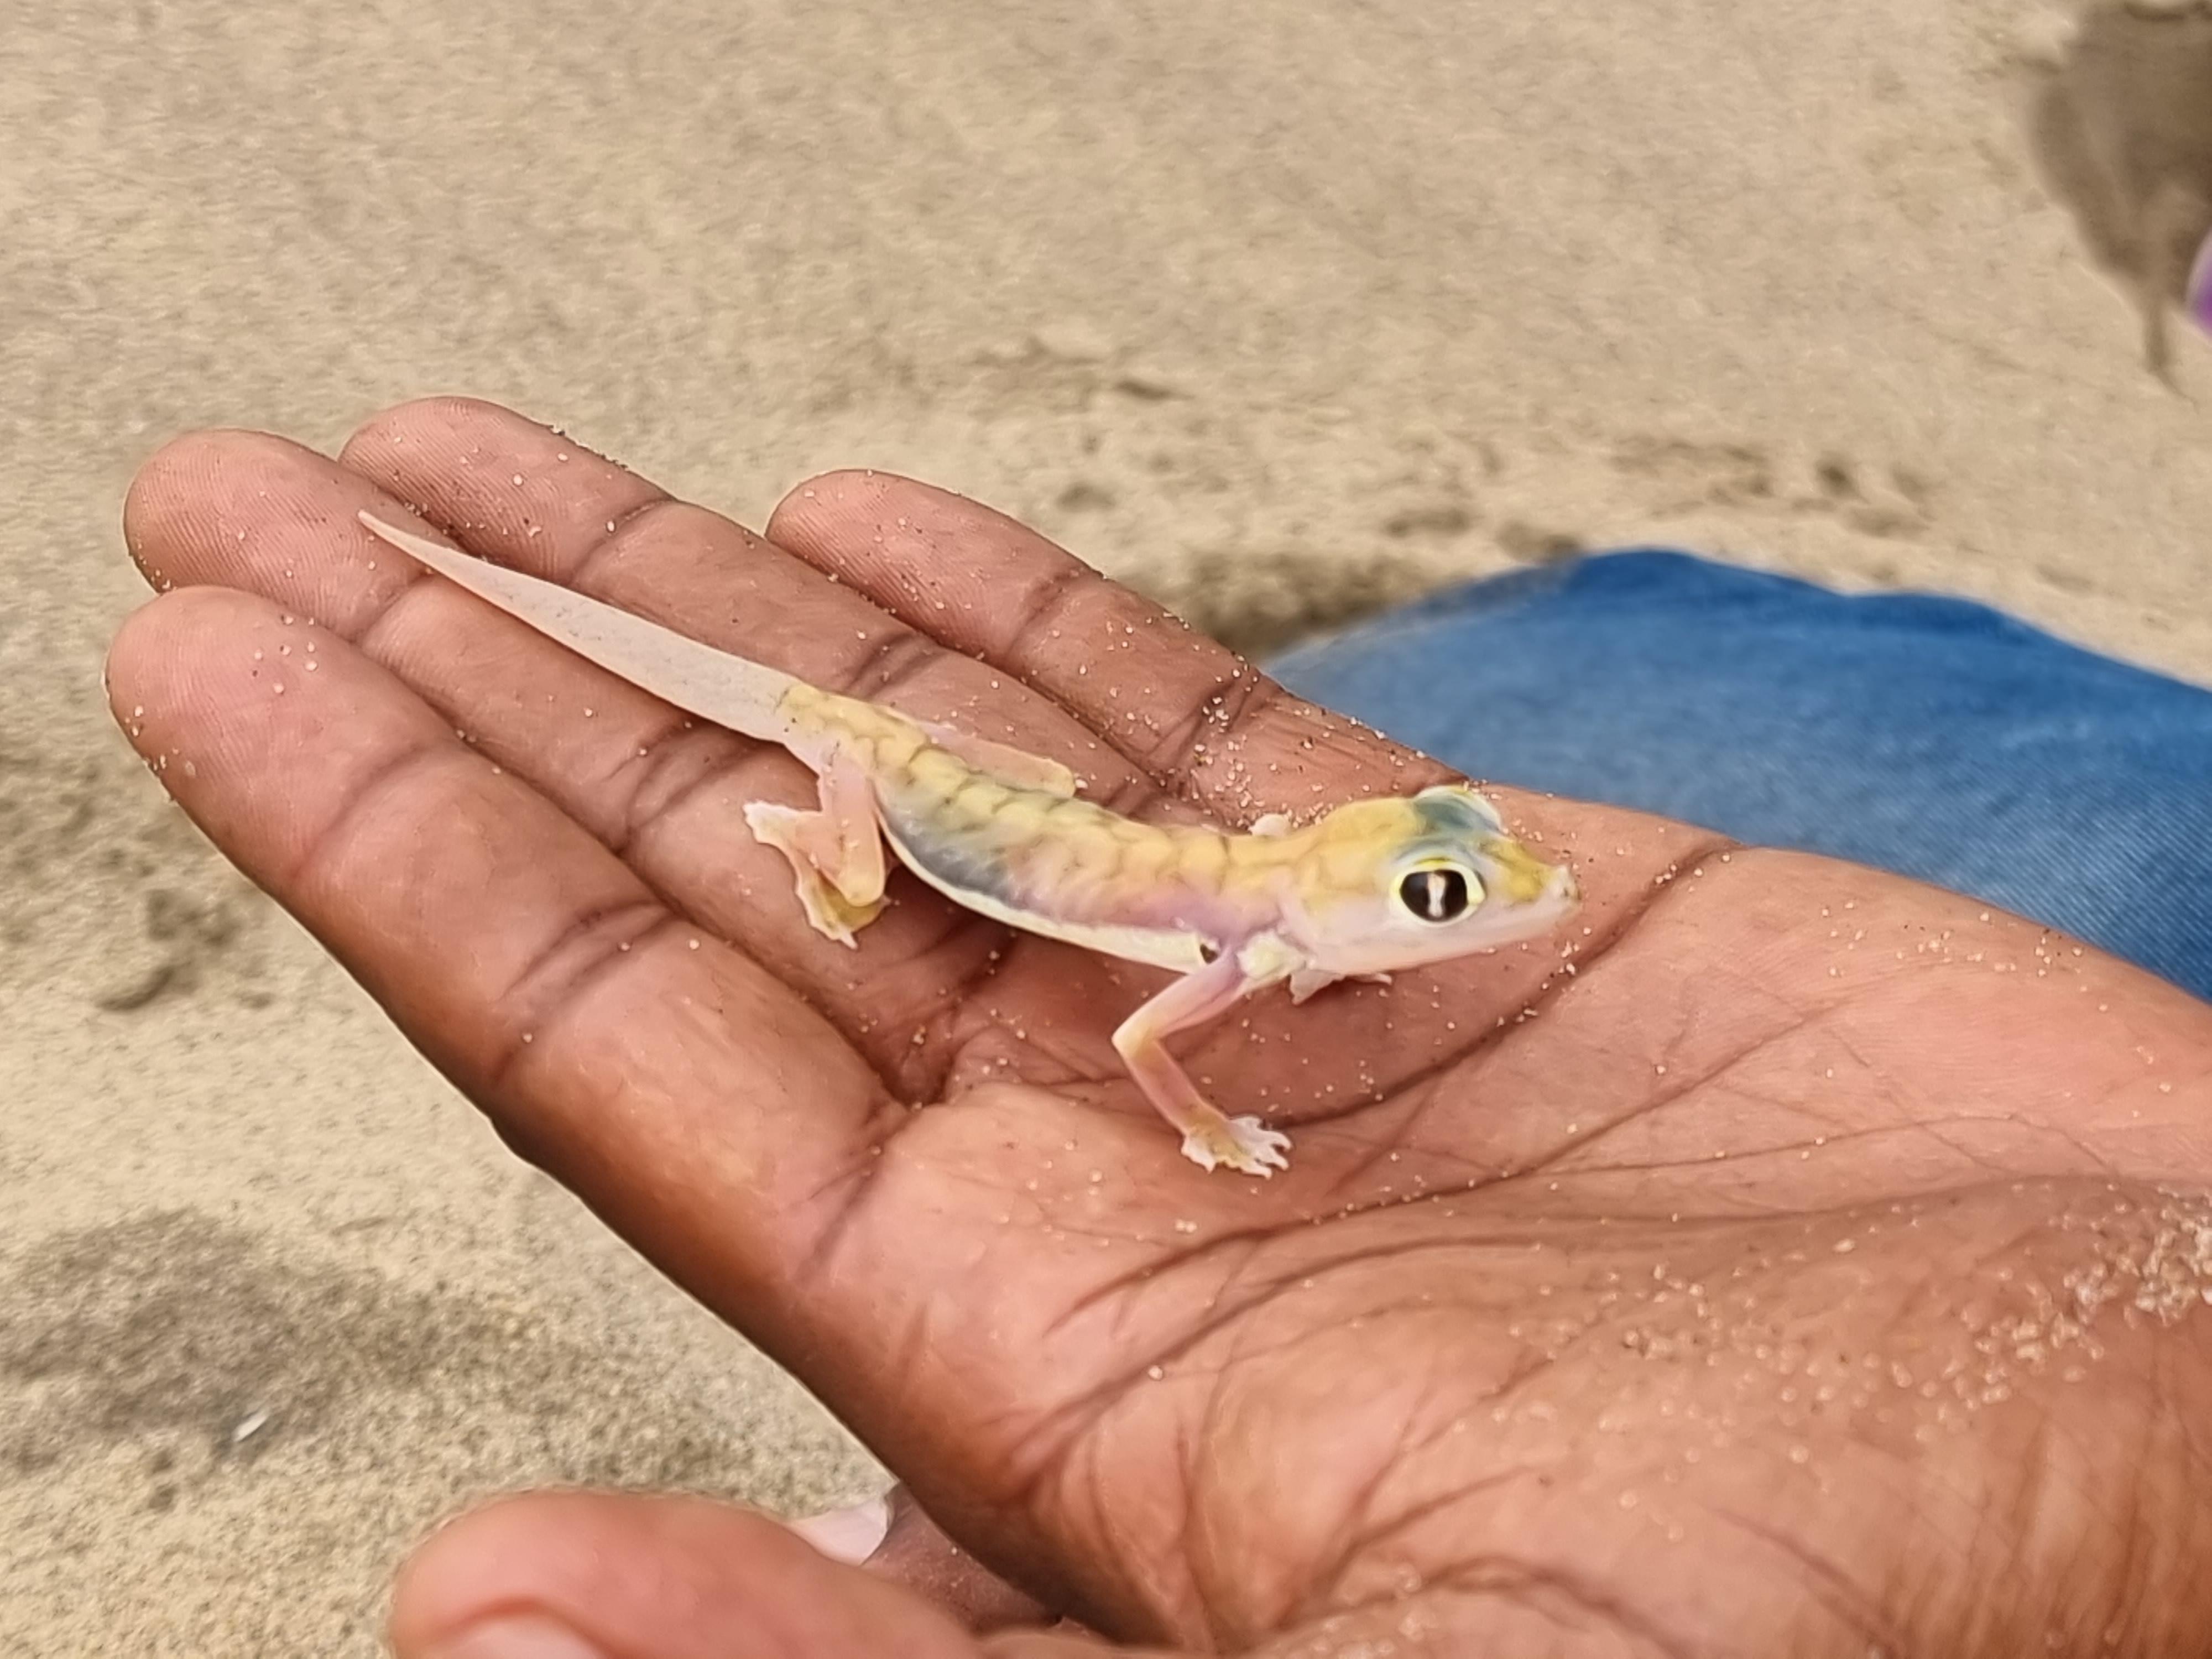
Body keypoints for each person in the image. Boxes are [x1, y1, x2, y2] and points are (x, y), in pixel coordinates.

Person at [110, 398, 2212, 1658]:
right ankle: (780, 804)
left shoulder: (1272, 917)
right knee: (840, 873)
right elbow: (1130, 1054)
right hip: (906, 806)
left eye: (1452, 877)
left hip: (944, 753)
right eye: (1443, 890)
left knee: (1631, 640)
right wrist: (1204, 1137)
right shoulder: (1220, 964)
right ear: (1341, 888)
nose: (1487, 915)